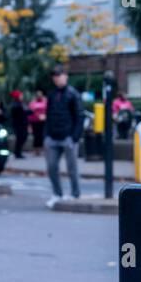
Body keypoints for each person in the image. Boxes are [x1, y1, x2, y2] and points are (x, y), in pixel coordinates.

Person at [44, 65, 83, 207]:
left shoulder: (73, 94)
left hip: (68, 137)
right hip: (53, 138)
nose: (57, 78)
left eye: (59, 75)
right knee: (51, 166)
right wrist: (46, 135)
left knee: (72, 167)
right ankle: (57, 194)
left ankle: (75, 194)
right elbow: (49, 116)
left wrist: (74, 137)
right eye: (55, 76)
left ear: (65, 76)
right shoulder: (52, 95)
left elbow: (79, 116)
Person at [10, 90, 29, 159]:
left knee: (22, 137)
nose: (22, 96)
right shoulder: (16, 104)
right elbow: (22, 112)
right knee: (20, 138)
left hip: (22, 124)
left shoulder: (20, 103)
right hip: (19, 124)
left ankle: (18, 152)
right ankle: (17, 153)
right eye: (21, 95)